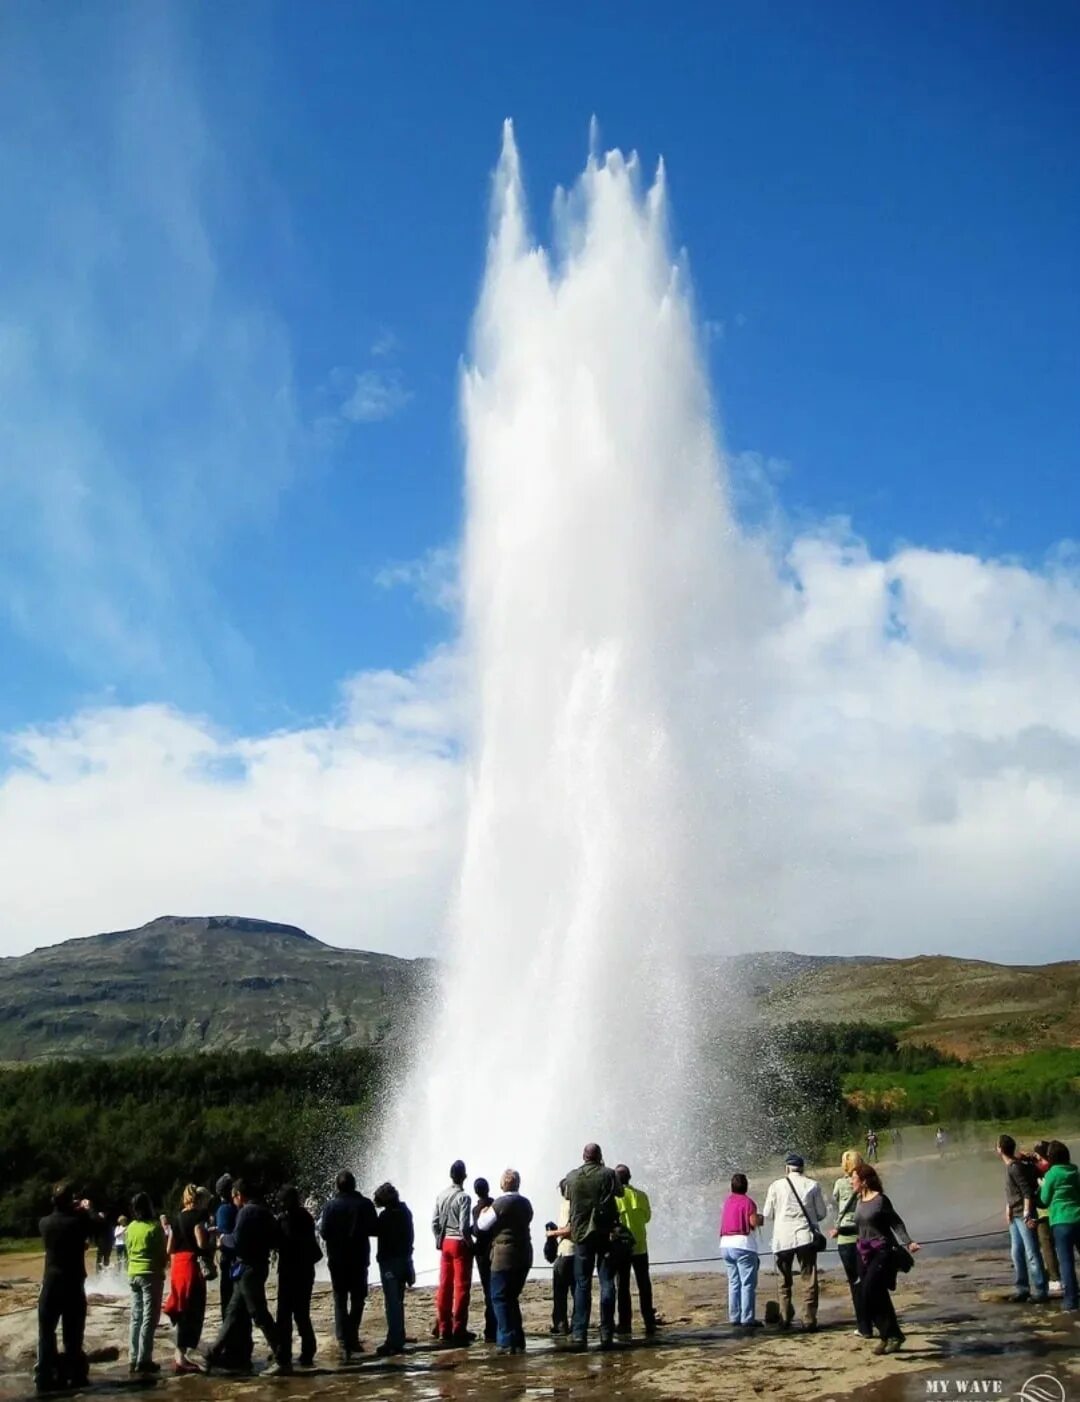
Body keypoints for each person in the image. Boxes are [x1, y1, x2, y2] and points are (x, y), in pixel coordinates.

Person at [207, 1179, 287, 1375]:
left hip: (248, 1268)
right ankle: (213, 1353)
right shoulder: (265, 1211)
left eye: (234, 1197)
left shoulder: (245, 1212)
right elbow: (275, 1239)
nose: (234, 1201)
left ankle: (282, 1358)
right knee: (233, 1311)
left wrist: (221, 1239)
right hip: (258, 1265)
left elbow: (237, 1239)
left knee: (258, 1313)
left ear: (239, 1195)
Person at [35, 1182, 98, 1394]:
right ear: (70, 1201)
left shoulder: (44, 1223)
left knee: (46, 1333)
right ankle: (74, 1376)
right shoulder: (78, 1221)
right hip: (73, 1284)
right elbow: (99, 1226)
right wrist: (87, 1209)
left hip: (50, 1283)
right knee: (72, 1336)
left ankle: (45, 1377)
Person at [852, 1163, 920, 1354]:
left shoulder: (881, 1201)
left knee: (871, 1289)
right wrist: (839, 1230)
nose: (851, 1181)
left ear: (864, 1181)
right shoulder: (859, 1199)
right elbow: (860, 1227)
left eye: (854, 1178)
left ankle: (893, 1335)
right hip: (864, 1252)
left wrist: (908, 1242)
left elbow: (896, 1223)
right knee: (869, 1295)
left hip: (882, 1250)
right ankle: (887, 1335)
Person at [562, 1142, 622, 1349]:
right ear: (600, 1156)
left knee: (582, 1284)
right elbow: (620, 1193)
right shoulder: (609, 1174)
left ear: (583, 1156)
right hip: (605, 1234)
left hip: (581, 1236)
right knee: (607, 1282)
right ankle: (606, 1331)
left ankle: (579, 1333)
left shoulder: (572, 1176)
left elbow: (565, 1192)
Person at [762, 1152, 827, 1332]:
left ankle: (784, 1317)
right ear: (802, 1168)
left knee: (784, 1279)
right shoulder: (812, 1185)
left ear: (787, 1168)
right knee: (808, 1278)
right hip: (805, 1236)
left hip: (782, 1239)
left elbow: (767, 1214)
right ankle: (809, 1319)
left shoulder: (776, 1185)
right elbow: (821, 1213)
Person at [320, 1169, 379, 1361]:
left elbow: (324, 1233)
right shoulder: (365, 1204)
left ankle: (342, 1338)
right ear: (354, 1185)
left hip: (337, 1259)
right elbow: (374, 1229)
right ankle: (352, 1335)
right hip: (359, 1258)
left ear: (337, 1186)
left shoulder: (330, 1206)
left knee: (339, 1298)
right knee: (358, 1298)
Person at [476, 1169, 534, 1354]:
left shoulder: (500, 1203)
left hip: (504, 1255)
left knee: (499, 1298)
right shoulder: (526, 1203)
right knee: (512, 1296)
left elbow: (482, 1225)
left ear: (503, 1184)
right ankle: (518, 1339)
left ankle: (505, 1341)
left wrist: (484, 1212)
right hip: (524, 1253)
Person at [162, 1184, 211, 1375]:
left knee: (181, 1306)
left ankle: (179, 1355)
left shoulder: (177, 1217)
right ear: (197, 1199)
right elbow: (200, 1242)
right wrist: (210, 1239)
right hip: (192, 1264)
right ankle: (182, 1356)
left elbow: (169, 1249)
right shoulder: (199, 1216)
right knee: (194, 1309)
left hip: (178, 1266)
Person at [996, 1134, 1047, 1303]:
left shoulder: (1015, 1168)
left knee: (1031, 1252)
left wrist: (1026, 1214)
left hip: (1023, 1215)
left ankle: (1040, 1290)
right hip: (1014, 1214)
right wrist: (1008, 1208)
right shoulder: (1011, 1166)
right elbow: (1011, 1191)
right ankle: (1022, 1288)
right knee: (1016, 1252)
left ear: (1000, 1149)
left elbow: (1026, 1192)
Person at [276, 1186, 321, 1369]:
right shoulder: (306, 1217)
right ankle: (308, 1350)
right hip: (306, 1270)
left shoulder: (286, 1220)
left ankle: (284, 1353)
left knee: (284, 1314)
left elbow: (279, 1242)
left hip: (289, 1270)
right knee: (302, 1313)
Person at [432, 1160, 475, 1346]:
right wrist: (470, 1244)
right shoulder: (464, 1197)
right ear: (464, 1176)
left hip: (445, 1244)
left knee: (444, 1286)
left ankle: (443, 1328)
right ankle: (459, 1328)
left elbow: (434, 1222)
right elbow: (464, 1227)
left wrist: (438, 1240)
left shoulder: (441, 1195)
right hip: (459, 1244)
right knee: (461, 1287)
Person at [125, 1193, 166, 1377]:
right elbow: (162, 1255)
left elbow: (127, 1250)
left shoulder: (130, 1227)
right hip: (150, 1274)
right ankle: (144, 1359)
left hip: (133, 1273)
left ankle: (133, 1358)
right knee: (150, 1317)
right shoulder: (154, 1227)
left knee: (136, 1316)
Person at [830, 1150, 870, 1337]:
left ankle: (863, 1325)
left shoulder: (839, 1183)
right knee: (868, 1279)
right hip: (863, 1233)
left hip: (845, 1237)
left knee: (855, 1282)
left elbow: (836, 1201)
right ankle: (874, 1320)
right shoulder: (865, 1182)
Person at [614, 1164, 657, 1337]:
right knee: (644, 1284)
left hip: (622, 1248)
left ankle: (625, 1324)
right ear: (630, 1177)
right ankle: (648, 1320)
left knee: (623, 1286)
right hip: (640, 1246)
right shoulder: (641, 1195)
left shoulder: (614, 1199)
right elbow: (646, 1217)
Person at [373, 1182, 415, 1356]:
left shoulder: (386, 1216)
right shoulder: (405, 1212)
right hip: (404, 1260)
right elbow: (410, 1237)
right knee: (398, 1299)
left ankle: (394, 1341)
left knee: (392, 1302)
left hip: (390, 1262)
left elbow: (377, 1232)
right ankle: (399, 1335)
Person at [1039, 1140, 1080, 1313]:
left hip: (1061, 1221)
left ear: (1051, 1157)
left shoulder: (1052, 1174)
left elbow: (1044, 1200)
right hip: (1078, 1217)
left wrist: (1041, 1186)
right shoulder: (1074, 1171)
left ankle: (1071, 1301)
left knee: (1066, 1263)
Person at [719, 1172, 764, 1329]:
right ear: (746, 1186)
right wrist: (760, 1219)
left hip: (725, 1244)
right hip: (743, 1245)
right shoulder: (748, 1202)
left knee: (733, 1282)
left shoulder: (727, 1201)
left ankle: (734, 1316)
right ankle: (747, 1318)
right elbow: (752, 1221)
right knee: (747, 1284)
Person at [1031, 1142, 1063, 1296]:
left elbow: (1044, 1197)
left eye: (1039, 1158)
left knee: (1049, 1248)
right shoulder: (1045, 1170)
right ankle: (1056, 1277)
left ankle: (1056, 1279)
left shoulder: (1050, 1173)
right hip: (1049, 1215)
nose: (1037, 1161)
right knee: (1051, 1249)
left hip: (1049, 1214)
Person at [471, 1177, 497, 1343]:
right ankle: (495, 1327)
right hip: (494, 1249)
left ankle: (490, 1330)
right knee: (496, 1289)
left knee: (488, 1290)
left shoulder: (476, 1209)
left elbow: (477, 1231)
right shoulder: (495, 1204)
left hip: (481, 1252)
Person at [546, 1193, 576, 1337]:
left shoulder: (567, 1205)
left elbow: (571, 1228)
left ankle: (561, 1324)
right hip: (577, 1253)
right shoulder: (580, 1203)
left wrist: (553, 1233)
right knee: (577, 1292)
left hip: (566, 1252)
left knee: (560, 1291)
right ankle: (576, 1324)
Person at [214, 1175, 238, 1321]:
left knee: (228, 1299)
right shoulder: (228, 1209)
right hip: (232, 1258)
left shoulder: (222, 1210)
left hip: (228, 1258)